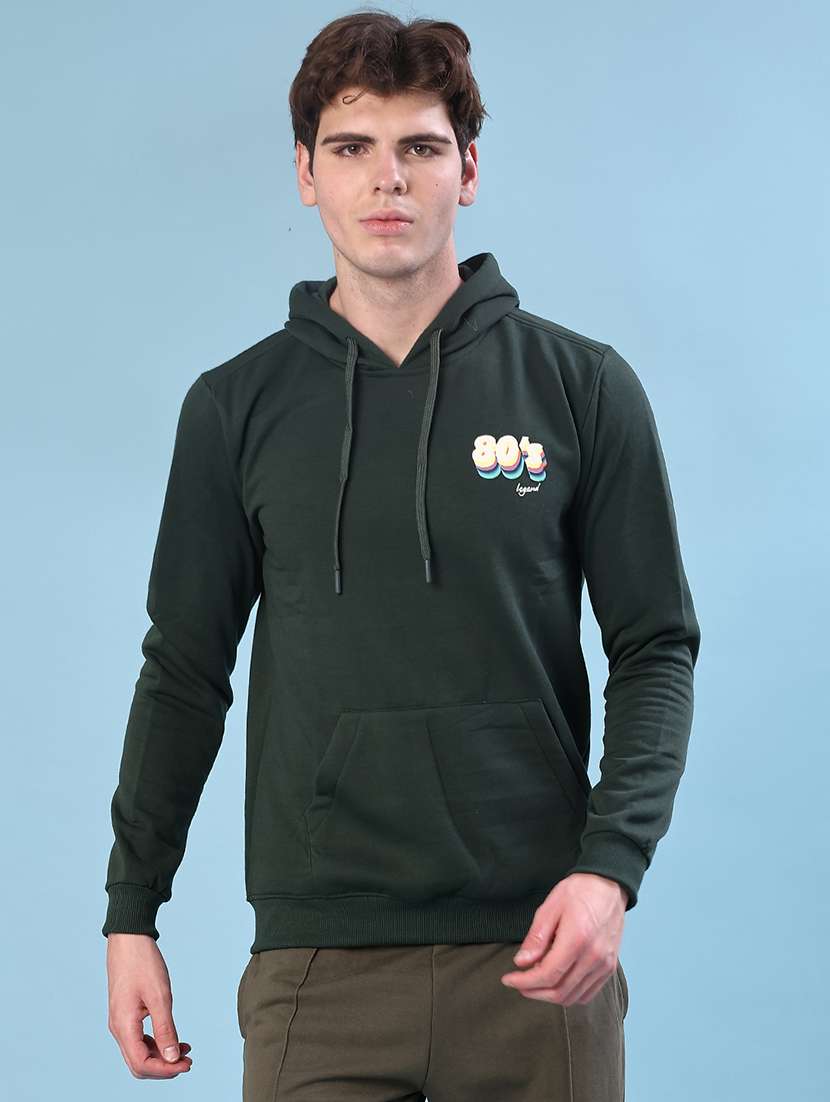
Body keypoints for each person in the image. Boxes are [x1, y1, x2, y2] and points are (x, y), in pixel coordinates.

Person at [102, 10, 701, 1100]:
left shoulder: (580, 388)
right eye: (351, 147)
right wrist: (131, 912)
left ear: (466, 169)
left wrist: (610, 870)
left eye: (420, 146)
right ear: (306, 174)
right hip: (315, 967)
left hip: (537, 958)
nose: (388, 179)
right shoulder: (234, 409)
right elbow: (183, 670)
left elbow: (655, 645)